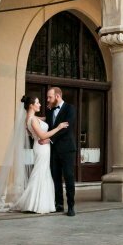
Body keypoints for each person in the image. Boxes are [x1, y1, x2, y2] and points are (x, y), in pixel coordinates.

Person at [0, 96, 69, 214]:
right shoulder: (32, 120)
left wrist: (52, 109)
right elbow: (42, 136)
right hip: (41, 147)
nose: (40, 104)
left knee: (43, 173)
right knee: (39, 173)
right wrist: (59, 127)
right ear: (31, 105)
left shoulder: (31, 118)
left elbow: (47, 118)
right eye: (37, 103)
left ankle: (40, 203)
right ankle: (34, 204)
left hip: (43, 147)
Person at [47, 86, 79, 216]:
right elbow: (48, 127)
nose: (48, 99)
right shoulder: (50, 110)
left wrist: (50, 139)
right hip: (53, 150)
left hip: (67, 149)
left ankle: (71, 206)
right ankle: (59, 204)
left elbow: (66, 128)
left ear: (57, 96)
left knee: (69, 177)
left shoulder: (70, 108)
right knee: (56, 178)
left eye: (50, 97)